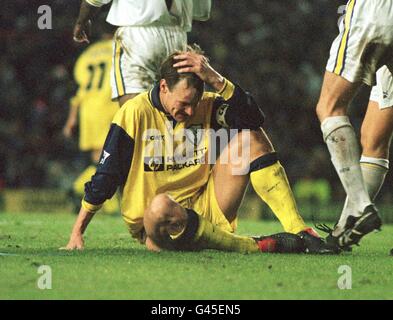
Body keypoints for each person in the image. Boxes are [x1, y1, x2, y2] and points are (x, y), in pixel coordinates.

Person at [62, 46, 338, 254]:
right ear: (163, 87)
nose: (190, 111)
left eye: (194, 103)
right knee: (160, 206)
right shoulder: (133, 114)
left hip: (208, 205)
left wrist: (216, 79)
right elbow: (106, 175)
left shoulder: (208, 105)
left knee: (250, 136)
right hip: (155, 221)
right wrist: (77, 232)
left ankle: (299, 230)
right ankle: (248, 246)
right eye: (183, 103)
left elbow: (254, 119)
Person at [315, 0, 393, 249]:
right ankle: (344, 229)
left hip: (376, 12)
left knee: (329, 106)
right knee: (373, 137)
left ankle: (360, 208)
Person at [73, 0, 211, 106]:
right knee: (171, 116)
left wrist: (81, 21)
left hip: (138, 33)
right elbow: (201, 11)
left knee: (134, 110)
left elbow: (93, 1)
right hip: (178, 36)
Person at [63, 30, 120, 214]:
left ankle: (87, 191)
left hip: (88, 109)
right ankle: (81, 188)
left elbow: (81, 88)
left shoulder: (87, 54)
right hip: (108, 106)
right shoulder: (120, 48)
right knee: (109, 156)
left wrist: (72, 118)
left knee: (99, 156)